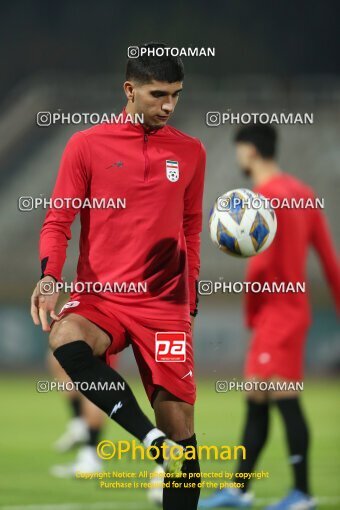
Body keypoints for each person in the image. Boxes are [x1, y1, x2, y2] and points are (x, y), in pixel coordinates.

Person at [30, 42, 206, 510]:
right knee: (65, 336)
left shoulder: (191, 152)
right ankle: (147, 439)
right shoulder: (87, 145)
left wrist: (190, 294)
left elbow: (191, 225)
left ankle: (162, 443)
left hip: (163, 304)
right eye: (157, 94)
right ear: (129, 90)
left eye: (176, 95)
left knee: (181, 430)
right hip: (101, 298)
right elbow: (58, 221)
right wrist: (50, 277)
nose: (168, 105)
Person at [199, 124, 339, 510]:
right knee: (257, 398)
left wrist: (250, 311)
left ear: (249, 151)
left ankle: (302, 493)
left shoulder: (260, 200)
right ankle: (239, 489)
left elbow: (260, 267)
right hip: (293, 312)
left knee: (284, 398)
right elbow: (330, 262)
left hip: (275, 315)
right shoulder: (305, 195)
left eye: (239, 150)